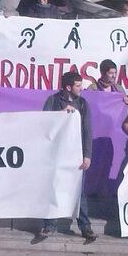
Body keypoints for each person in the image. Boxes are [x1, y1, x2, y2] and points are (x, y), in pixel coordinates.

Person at [34, 71, 95, 241]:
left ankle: (85, 227)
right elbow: (44, 124)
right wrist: (61, 113)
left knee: (79, 192)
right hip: (57, 155)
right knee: (53, 189)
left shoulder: (82, 103)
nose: (81, 88)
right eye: (77, 85)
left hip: (76, 155)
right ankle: (49, 225)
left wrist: (87, 155)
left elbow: (87, 131)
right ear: (68, 87)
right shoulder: (53, 101)